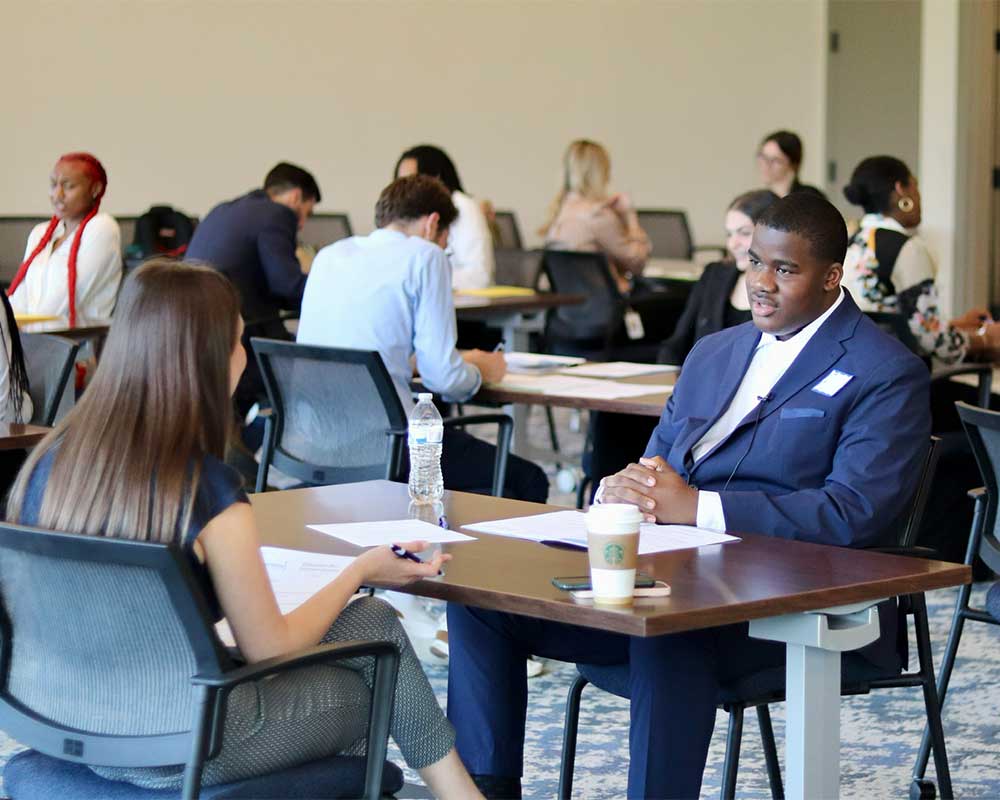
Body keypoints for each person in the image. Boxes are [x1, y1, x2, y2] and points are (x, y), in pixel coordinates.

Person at [446, 193, 931, 799]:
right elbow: (658, 463)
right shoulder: (715, 352)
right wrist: (624, 489)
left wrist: (697, 508)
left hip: (793, 600)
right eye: (755, 262)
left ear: (833, 276)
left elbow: (851, 514)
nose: (761, 283)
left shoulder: (885, 371)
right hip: (671, 573)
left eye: (785, 269)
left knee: (663, 627)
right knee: (482, 600)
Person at [5, 259, 483, 799]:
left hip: (67, 724)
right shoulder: (207, 490)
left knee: (369, 623)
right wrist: (361, 569)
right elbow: (269, 650)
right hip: (185, 743)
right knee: (373, 671)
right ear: (208, 361)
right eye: (237, 341)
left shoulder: (46, 466)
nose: (244, 355)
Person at [297, 174, 548, 504]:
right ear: (433, 225)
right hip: (392, 445)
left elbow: (363, 350)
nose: (444, 250)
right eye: (446, 242)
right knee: (529, 479)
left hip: (314, 442)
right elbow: (443, 378)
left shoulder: (330, 255)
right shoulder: (425, 256)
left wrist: (432, 361)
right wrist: (483, 370)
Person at [186, 162, 320, 416]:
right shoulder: (277, 214)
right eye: (307, 212)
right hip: (240, 338)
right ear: (295, 197)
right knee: (318, 372)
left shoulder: (224, 209)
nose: (302, 223)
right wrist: (330, 289)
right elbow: (287, 284)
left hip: (197, 337)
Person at [841, 155, 1000, 363]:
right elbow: (934, 342)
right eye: (915, 186)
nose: (919, 196)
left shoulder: (852, 243)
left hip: (855, 367)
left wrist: (955, 325)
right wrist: (988, 338)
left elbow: (895, 324)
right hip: (898, 378)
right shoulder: (908, 249)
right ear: (901, 190)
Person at [658, 189, 779, 364]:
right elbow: (676, 344)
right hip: (703, 384)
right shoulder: (714, 275)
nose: (732, 244)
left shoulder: (783, 287)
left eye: (744, 233)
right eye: (729, 234)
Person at [9, 152, 121, 323]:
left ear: (95, 189)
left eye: (68, 186)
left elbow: (62, 303)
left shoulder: (102, 227)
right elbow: (20, 298)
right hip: (32, 340)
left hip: (80, 344)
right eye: (53, 185)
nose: (57, 194)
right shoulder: (40, 232)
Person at [541, 139, 651, 295]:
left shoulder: (560, 212)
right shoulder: (597, 216)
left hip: (568, 311)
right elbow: (637, 263)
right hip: (604, 308)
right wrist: (629, 216)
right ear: (601, 173)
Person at [395, 145, 495, 291]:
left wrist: (424, 276)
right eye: (400, 182)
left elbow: (479, 276)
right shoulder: (406, 215)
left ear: (435, 177)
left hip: (465, 304)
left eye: (411, 181)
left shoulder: (462, 206)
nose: (404, 190)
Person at [757, 130, 826, 199]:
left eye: (775, 160)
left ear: (793, 164)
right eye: (763, 157)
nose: (766, 165)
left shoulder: (810, 197)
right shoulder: (758, 200)